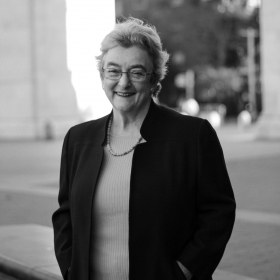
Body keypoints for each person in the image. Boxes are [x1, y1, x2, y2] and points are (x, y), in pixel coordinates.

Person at [52, 17, 236, 280]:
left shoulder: (193, 136)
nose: (123, 83)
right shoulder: (77, 139)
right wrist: (71, 267)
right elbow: (65, 214)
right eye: (113, 71)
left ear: (154, 80)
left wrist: (183, 271)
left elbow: (218, 214)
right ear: (102, 75)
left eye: (136, 72)